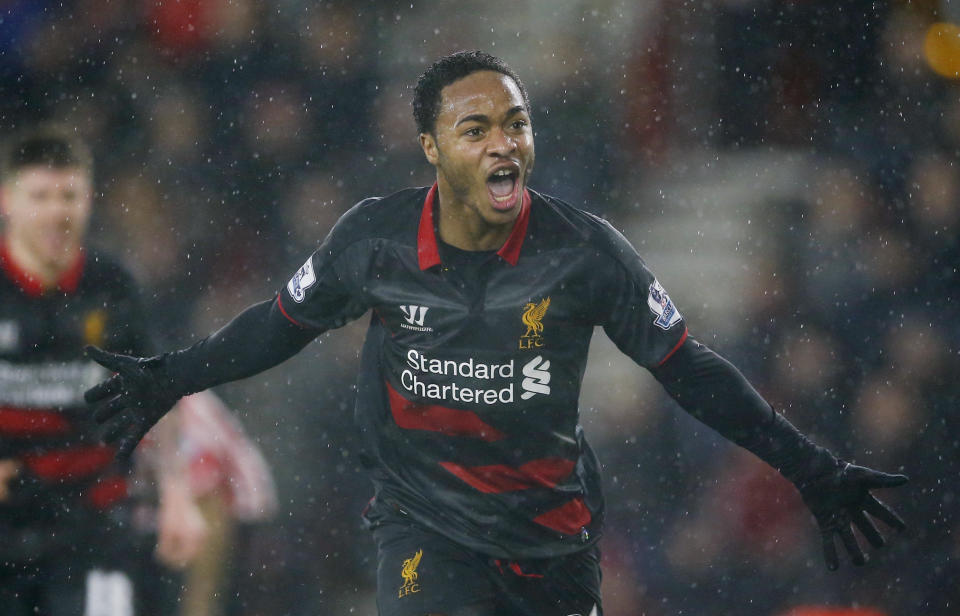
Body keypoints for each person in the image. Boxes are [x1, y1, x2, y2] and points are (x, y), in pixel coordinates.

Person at [84, 51, 909, 616]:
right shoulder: (371, 239)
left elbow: (688, 368)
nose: (503, 143)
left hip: (552, 539)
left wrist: (808, 464)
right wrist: (174, 375)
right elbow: (279, 325)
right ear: (432, 149)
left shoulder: (584, 252)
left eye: (515, 123)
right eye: (476, 129)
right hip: (424, 525)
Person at [0, 125, 207, 615]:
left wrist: (176, 490)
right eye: (40, 195)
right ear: (7, 199)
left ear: (88, 199)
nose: (57, 211)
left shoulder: (111, 286)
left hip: (91, 518)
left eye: (68, 195)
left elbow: (155, 393)